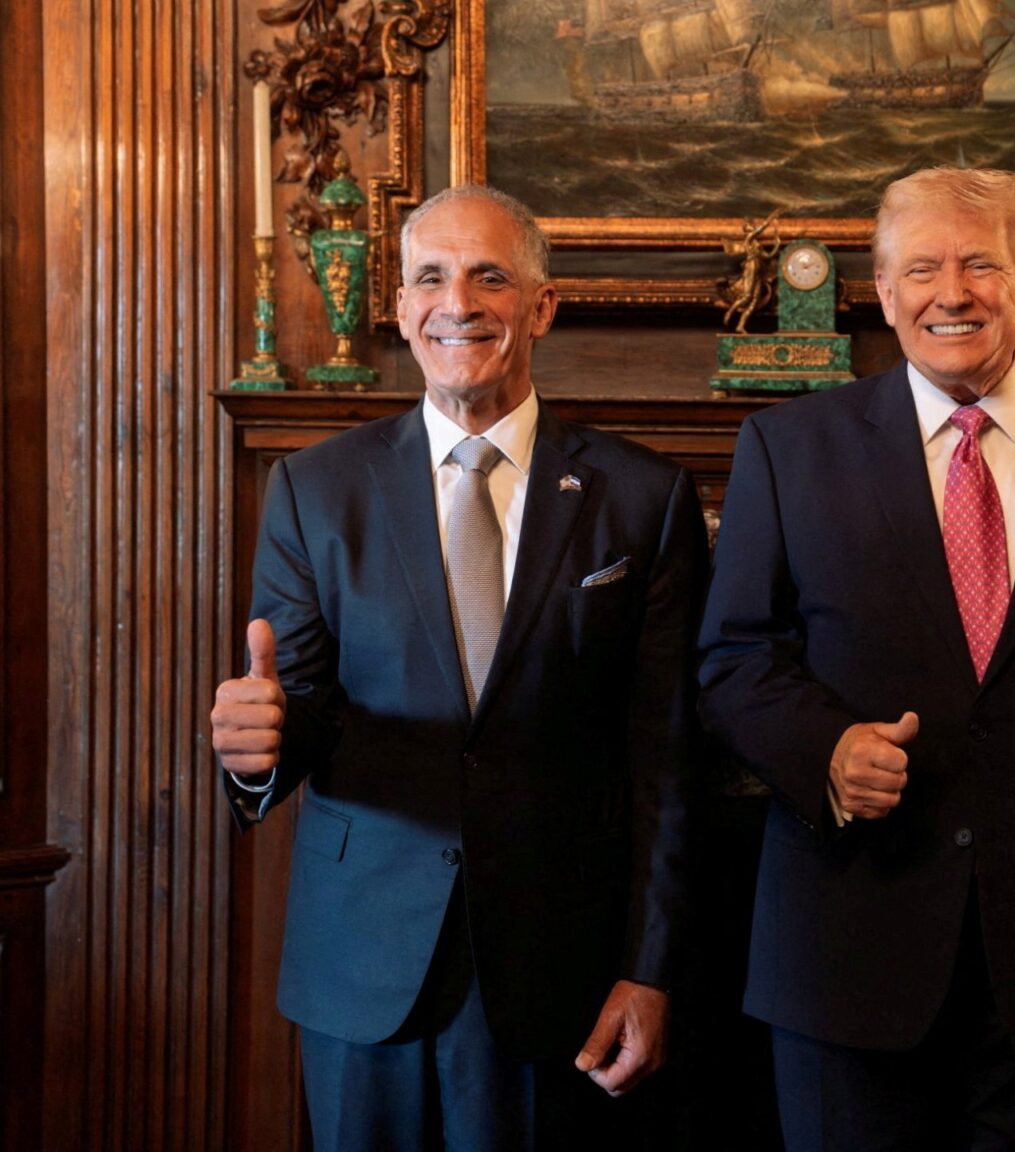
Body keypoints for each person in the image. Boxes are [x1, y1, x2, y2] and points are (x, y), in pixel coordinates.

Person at [697, 167, 1015, 1151]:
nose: (953, 293)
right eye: (923, 269)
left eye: (981, 264)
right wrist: (824, 751)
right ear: (884, 292)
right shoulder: (787, 449)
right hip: (847, 952)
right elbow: (731, 659)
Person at [210, 184, 707, 1151]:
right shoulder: (315, 488)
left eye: (490, 278)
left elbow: (668, 760)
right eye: (431, 278)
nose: (458, 304)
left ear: (542, 306)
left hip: (557, 970)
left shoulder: (642, 498)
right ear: (402, 308)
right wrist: (258, 750)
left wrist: (650, 970)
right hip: (363, 961)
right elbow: (301, 705)